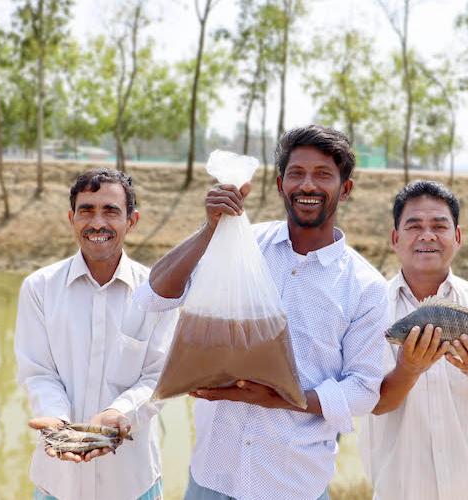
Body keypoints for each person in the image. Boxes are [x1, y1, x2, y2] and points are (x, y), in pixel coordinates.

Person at [134, 125, 389, 499]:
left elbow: (364, 390)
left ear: (345, 189)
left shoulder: (365, 286)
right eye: (296, 173)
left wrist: (281, 398)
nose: (307, 186)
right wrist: (211, 228)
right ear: (279, 183)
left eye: (323, 175)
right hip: (211, 477)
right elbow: (154, 295)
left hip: (293, 483)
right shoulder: (242, 244)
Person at [14, 168, 178, 500]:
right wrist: (59, 424)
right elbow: (39, 373)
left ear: (132, 221)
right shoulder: (39, 288)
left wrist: (119, 414)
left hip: (133, 483)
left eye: (111, 211)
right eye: (87, 210)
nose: (97, 223)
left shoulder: (159, 292)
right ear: (72, 218)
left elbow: (159, 379)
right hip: (57, 482)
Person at [359, 180, 468, 500]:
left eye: (439, 226)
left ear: (457, 237)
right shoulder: (368, 308)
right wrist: (408, 370)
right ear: (395, 238)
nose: (427, 235)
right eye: (414, 225)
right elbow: (372, 403)